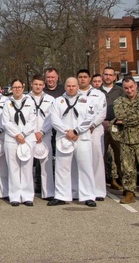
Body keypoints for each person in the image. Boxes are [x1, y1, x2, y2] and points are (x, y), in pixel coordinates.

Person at [48, 77, 98, 208]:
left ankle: (88, 196)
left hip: (82, 138)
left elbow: (90, 118)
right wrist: (67, 132)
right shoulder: (58, 101)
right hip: (64, 138)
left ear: (77, 87)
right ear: (65, 87)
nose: (71, 88)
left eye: (73, 86)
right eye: (68, 86)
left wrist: (76, 131)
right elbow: (54, 119)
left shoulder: (87, 100)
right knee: (61, 168)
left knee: (85, 167)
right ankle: (61, 195)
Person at [3, 79, 37, 206]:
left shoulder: (30, 101)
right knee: (13, 168)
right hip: (12, 138)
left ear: (23, 88)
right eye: (14, 87)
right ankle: (15, 196)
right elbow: (6, 121)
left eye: (19, 87)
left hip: (27, 138)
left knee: (27, 168)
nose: (17, 89)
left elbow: (32, 120)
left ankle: (27, 196)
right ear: (12, 88)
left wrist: (23, 134)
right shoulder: (7, 103)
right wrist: (17, 134)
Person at [77, 70, 107, 201]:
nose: (82, 79)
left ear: (89, 79)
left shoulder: (98, 94)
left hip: (94, 130)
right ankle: (80, 190)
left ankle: (98, 191)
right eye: (80, 77)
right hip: (78, 131)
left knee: (96, 159)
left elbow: (102, 113)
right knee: (80, 160)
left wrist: (92, 125)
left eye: (85, 77)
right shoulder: (73, 93)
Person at [29, 75, 54, 200]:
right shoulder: (25, 99)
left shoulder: (50, 99)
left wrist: (42, 132)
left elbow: (52, 118)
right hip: (29, 136)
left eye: (40, 84)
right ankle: (28, 193)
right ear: (31, 84)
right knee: (27, 166)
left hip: (45, 135)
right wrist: (32, 132)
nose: (38, 87)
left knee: (46, 165)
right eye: (35, 84)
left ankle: (48, 192)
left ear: (44, 85)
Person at [100, 67, 124, 192]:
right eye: (106, 74)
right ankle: (100, 183)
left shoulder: (120, 91)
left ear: (115, 77)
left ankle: (122, 181)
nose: (108, 77)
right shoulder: (96, 92)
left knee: (119, 155)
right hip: (100, 127)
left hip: (116, 127)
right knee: (100, 156)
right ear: (102, 76)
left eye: (111, 75)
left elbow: (125, 108)